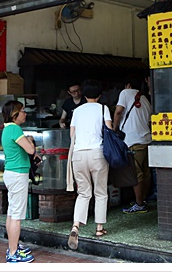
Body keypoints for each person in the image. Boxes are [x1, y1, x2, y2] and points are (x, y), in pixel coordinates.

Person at [67, 79, 112, 250]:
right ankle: (99, 228)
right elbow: (109, 130)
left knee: (83, 193)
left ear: (84, 95)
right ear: (99, 95)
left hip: (78, 155)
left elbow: (72, 135)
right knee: (100, 191)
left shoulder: (77, 111)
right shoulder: (103, 109)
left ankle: (75, 226)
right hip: (97, 154)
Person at [1, 100, 41, 263]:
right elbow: (30, 149)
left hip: (11, 173)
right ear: (14, 114)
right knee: (16, 215)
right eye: (23, 111)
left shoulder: (7, 129)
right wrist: (30, 139)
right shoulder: (15, 129)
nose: (25, 114)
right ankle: (13, 253)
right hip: (18, 175)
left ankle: (13, 246)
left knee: (12, 212)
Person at [113, 75, 153, 214]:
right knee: (146, 173)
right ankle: (142, 199)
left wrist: (114, 128)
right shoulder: (145, 98)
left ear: (128, 85)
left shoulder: (125, 93)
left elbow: (118, 111)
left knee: (136, 174)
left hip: (133, 141)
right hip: (146, 139)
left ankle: (139, 204)